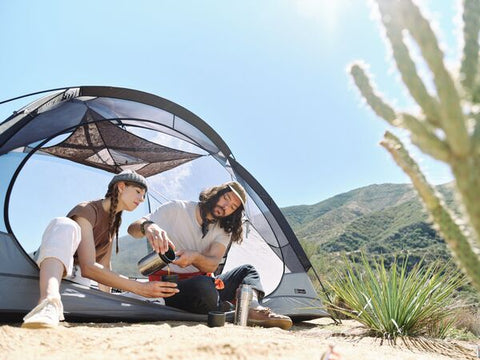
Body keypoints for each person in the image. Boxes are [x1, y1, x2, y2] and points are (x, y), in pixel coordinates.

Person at [22, 170, 179, 329]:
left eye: (144, 195)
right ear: (121, 187)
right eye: (138, 192)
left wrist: (108, 300)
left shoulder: (113, 223)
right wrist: (140, 288)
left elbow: (104, 267)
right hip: (52, 270)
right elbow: (89, 267)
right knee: (64, 224)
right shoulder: (87, 210)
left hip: (76, 282)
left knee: (148, 299)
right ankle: (48, 303)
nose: (142, 198)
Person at [128, 181, 293, 330]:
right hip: (169, 286)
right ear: (216, 193)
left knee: (246, 271)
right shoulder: (177, 209)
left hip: (205, 284)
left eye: (233, 207)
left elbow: (212, 264)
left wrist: (195, 257)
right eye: (226, 198)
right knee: (205, 287)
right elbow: (132, 229)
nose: (226, 206)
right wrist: (149, 227)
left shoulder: (223, 229)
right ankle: (223, 307)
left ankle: (253, 309)